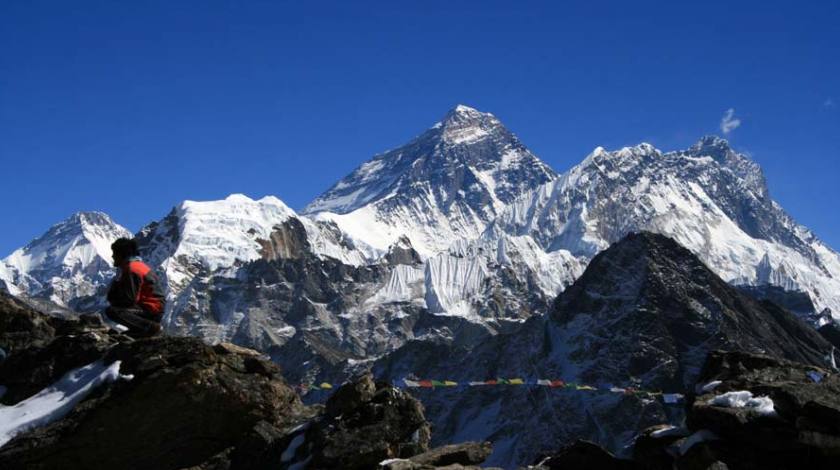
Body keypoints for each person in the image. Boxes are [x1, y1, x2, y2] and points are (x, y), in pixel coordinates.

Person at [105, 237, 165, 338]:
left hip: (150, 310)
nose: (112, 256)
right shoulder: (137, 266)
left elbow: (130, 299)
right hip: (153, 309)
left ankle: (149, 327)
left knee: (113, 311)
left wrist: (114, 294)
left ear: (121, 255)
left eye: (114, 253)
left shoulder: (132, 269)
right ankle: (138, 329)